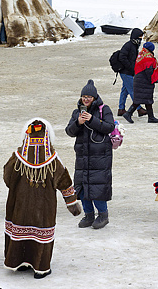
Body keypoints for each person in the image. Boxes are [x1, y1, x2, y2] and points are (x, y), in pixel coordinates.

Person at [5, 118, 82, 279]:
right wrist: (72, 203)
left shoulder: (18, 158)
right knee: (40, 235)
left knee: (20, 231)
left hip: (20, 207)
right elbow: (64, 182)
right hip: (44, 209)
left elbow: (7, 178)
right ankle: (41, 268)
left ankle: (19, 262)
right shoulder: (52, 160)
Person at [65, 80, 115, 229]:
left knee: (97, 188)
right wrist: (78, 123)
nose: (86, 99)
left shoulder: (103, 109)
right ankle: (88, 215)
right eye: (83, 96)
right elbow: (69, 131)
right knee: (83, 188)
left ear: (94, 97)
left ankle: (103, 215)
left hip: (100, 157)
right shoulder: (77, 112)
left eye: (89, 97)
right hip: (82, 157)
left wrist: (92, 120)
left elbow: (109, 127)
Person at [123, 42, 158, 123]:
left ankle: (151, 117)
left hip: (139, 81)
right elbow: (149, 72)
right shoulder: (148, 58)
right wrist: (156, 78)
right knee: (139, 100)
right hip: (144, 83)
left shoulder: (141, 56)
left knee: (146, 100)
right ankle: (128, 114)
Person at [116, 28, 144, 117]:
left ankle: (121, 109)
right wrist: (131, 68)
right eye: (139, 37)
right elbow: (122, 57)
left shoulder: (135, 46)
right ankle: (139, 108)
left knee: (125, 90)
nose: (140, 39)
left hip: (129, 71)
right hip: (126, 72)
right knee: (133, 90)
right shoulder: (128, 46)